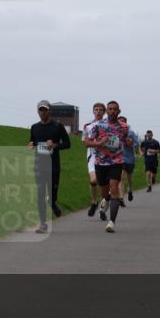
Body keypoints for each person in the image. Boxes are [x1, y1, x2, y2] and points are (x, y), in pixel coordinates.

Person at [82, 100, 128, 233]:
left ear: (119, 111)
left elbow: (124, 140)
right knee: (104, 192)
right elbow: (86, 143)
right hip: (100, 163)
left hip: (116, 161)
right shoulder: (98, 125)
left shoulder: (124, 127)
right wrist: (99, 143)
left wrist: (128, 142)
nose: (112, 111)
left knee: (114, 189)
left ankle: (112, 222)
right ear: (107, 111)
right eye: (110, 109)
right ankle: (105, 200)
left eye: (115, 109)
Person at [28, 100, 72, 233]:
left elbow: (68, 144)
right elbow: (33, 141)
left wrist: (55, 145)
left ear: (49, 111)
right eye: (41, 110)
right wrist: (30, 144)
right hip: (39, 165)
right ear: (38, 111)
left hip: (54, 166)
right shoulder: (34, 127)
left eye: (45, 109)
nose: (43, 112)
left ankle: (53, 203)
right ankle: (43, 224)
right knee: (40, 194)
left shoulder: (57, 126)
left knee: (51, 196)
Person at [83, 103, 106, 217]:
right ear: (93, 111)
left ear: (104, 112)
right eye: (96, 110)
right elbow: (84, 142)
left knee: (105, 185)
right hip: (92, 156)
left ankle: (103, 208)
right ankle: (94, 202)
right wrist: (97, 143)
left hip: (106, 157)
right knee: (93, 181)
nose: (98, 112)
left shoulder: (108, 125)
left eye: (101, 110)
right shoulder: (88, 126)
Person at [117, 116, 141, 201]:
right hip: (120, 158)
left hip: (130, 159)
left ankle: (130, 190)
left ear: (126, 124)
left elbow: (136, 144)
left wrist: (130, 144)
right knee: (122, 177)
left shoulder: (131, 133)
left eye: (122, 122)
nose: (121, 124)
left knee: (129, 177)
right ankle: (121, 197)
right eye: (119, 122)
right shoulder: (115, 133)